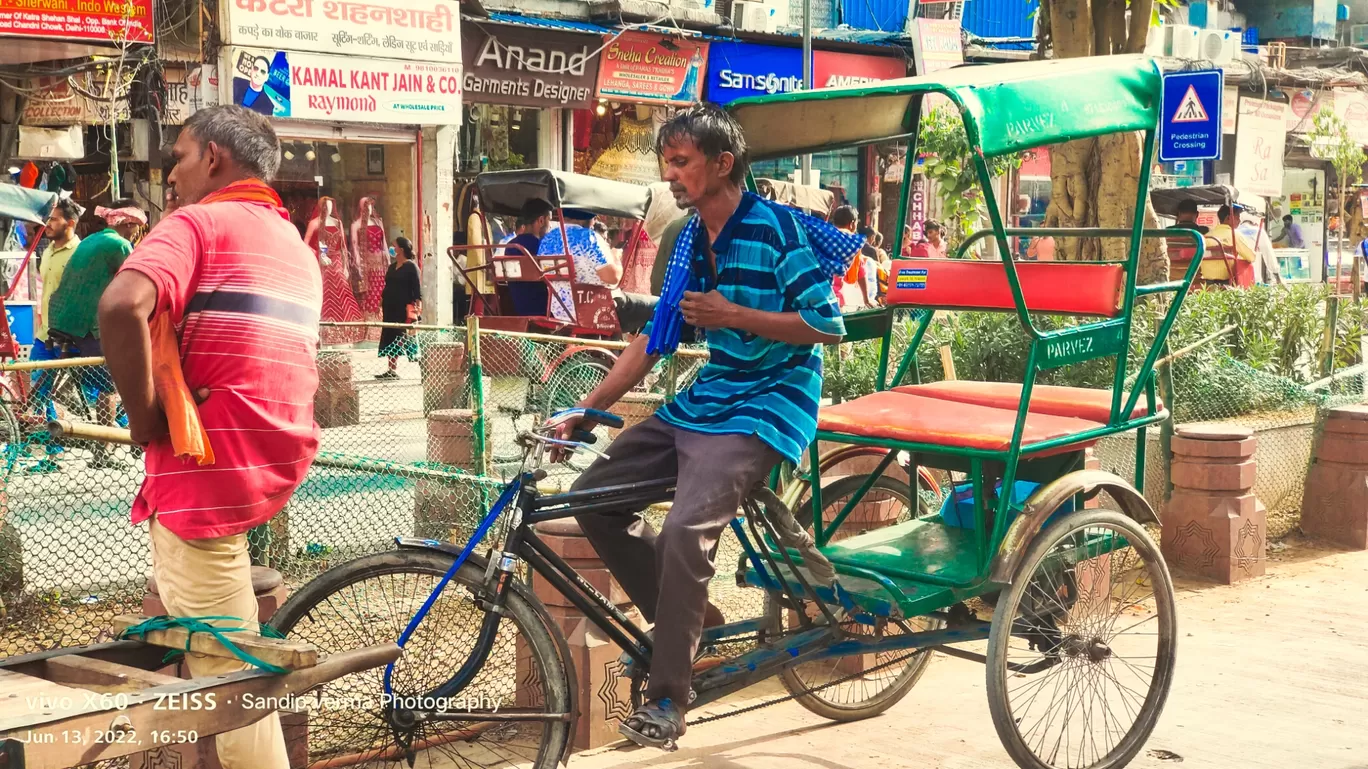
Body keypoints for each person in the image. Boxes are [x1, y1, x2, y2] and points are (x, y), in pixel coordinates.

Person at [555, 104, 844, 749]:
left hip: (772, 399)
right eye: (668, 164)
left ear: (723, 164)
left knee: (686, 530)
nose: (672, 176)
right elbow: (655, 338)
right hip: (710, 396)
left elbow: (828, 325)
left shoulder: (776, 231)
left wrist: (734, 313)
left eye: (682, 163)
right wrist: (591, 410)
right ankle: (696, 626)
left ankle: (667, 699)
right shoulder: (686, 240)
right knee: (592, 500)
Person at [97, 104, 322, 769]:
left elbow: (118, 306)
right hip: (258, 473)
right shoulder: (292, 245)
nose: (171, 174)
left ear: (216, 159)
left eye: (180, 156)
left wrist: (145, 422)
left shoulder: (196, 223)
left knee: (234, 689)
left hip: (199, 483)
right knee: (197, 646)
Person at [376, 236, 421, 379]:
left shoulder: (411, 266)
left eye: (393, 245)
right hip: (390, 308)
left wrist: (418, 305)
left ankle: (423, 368)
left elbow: (417, 288)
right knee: (390, 336)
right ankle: (391, 370)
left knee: (406, 338)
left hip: (403, 309)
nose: (391, 248)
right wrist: (381, 302)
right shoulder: (391, 267)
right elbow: (387, 286)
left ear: (400, 249)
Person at [829, 206, 870, 310]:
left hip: (819, 297)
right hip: (838, 301)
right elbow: (859, 274)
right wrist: (866, 299)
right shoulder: (852, 242)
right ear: (852, 224)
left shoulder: (825, 237)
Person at [1207, 204, 1258, 286]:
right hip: (1227, 282)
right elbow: (1251, 257)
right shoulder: (1234, 235)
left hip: (1206, 281)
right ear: (1229, 218)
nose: (1240, 221)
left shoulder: (1207, 236)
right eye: (1237, 217)